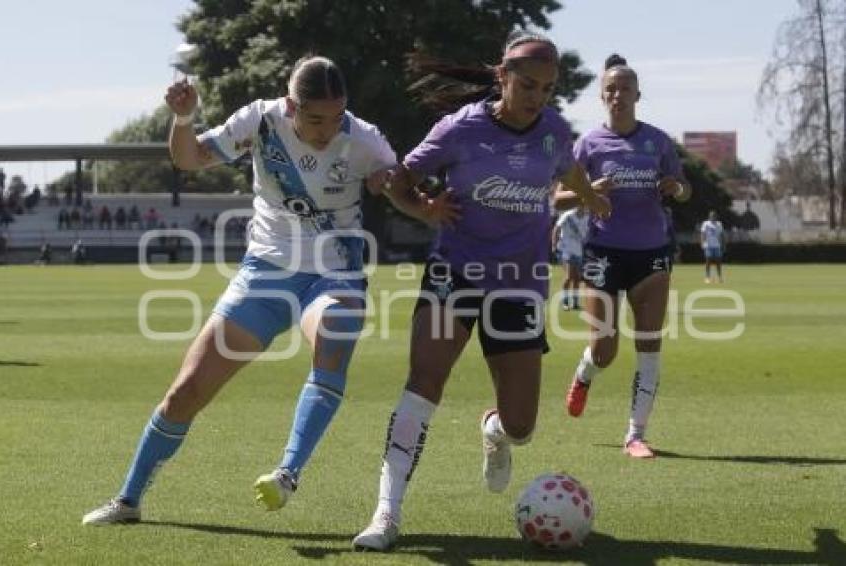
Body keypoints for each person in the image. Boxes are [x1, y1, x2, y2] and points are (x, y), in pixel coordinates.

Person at [82, 55, 412, 525]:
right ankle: (128, 499)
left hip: (334, 273)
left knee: (334, 331)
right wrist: (182, 117)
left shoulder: (363, 138)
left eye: (337, 116)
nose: (327, 130)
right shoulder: (260, 120)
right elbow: (188, 158)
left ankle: (287, 472)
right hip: (265, 273)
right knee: (186, 391)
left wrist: (389, 184)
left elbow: (397, 184)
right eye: (315, 119)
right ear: (290, 104)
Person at [352, 31, 609, 551]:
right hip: (455, 272)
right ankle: (386, 514)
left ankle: (493, 429)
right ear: (503, 76)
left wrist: (588, 197)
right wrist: (423, 208)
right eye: (528, 85)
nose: (536, 96)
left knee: (522, 427)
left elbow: (570, 174)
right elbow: (399, 180)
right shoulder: (459, 130)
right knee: (423, 383)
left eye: (547, 88)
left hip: (519, 287)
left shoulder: (554, 132)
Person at [561, 54, 691, 460]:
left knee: (649, 344)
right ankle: (584, 376)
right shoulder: (588, 144)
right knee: (605, 349)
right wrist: (588, 191)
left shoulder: (658, 141)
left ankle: (636, 434)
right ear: (603, 97)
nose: (618, 95)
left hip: (652, 254)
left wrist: (676, 187)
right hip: (602, 253)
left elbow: (685, 190)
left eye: (625, 89)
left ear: (637, 94)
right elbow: (557, 197)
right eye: (610, 90)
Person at [551, 205, 589, 310]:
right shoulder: (568, 215)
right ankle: (565, 302)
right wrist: (554, 245)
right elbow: (556, 228)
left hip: (580, 251)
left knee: (577, 278)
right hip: (567, 250)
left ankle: (575, 302)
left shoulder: (588, 217)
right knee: (569, 277)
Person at [700, 210, 725, 283]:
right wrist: (702, 243)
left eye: (714, 216)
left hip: (717, 245)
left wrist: (723, 244)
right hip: (708, 245)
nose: (713, 217)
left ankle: (719, 277)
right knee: (708, 261)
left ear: (716, 216)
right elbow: (702, 233)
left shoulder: (719, 224)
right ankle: (707, 277)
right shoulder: (706, 224)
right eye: (711, 216)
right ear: (709, 216)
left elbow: (721, 235)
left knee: (718, 262)